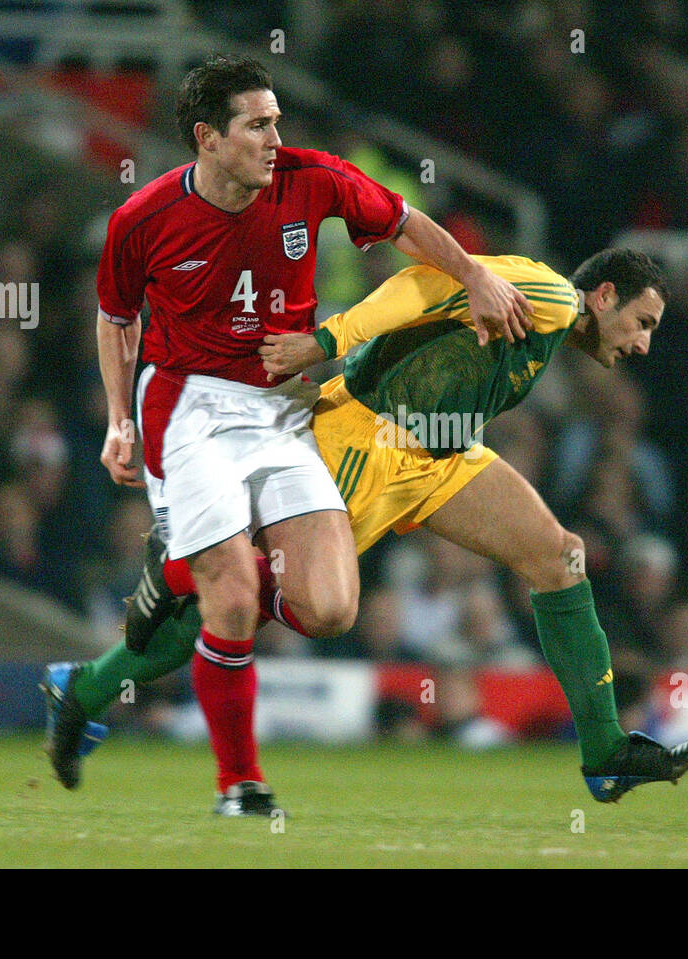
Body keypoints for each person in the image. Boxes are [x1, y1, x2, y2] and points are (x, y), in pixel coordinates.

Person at [46, 247, 688, 812]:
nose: (643, 342)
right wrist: (328, 340)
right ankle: (89, 683)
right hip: (364, 439)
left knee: (559, 555)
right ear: (605, 293)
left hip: (439, 454)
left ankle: (605, 751)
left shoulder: (553, 327)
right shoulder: (551, 296)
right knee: (228, 607)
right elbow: (423, 283)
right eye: (642, 322)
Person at [46, 55, 533, 806]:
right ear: (208, 138)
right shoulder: (141, 218)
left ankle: (146, 608)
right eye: (258, 124)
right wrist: (118, 420)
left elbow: (403, 223)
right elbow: (116, 319)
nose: (277, 137)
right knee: (236, 596)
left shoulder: (314, 178)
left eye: (278, 120)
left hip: (284, 405)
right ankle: (240, 783)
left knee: (329, 607)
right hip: (188, 407)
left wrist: (474, 275)